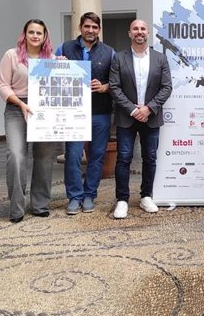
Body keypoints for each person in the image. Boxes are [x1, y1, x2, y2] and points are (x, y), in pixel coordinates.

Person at [109, 19, 172, 219]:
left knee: (150, 157)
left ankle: (146, 196)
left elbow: (166, 87)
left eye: (143, 29)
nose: (139, 32)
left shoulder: (160, 58)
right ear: (130, 33)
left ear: (147, 33)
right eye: (135, 29)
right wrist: (132, 109)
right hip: (127, 117)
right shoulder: (119, 58)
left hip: (150, 117)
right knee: (124, 158)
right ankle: (122, 200)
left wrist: (148, 108)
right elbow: (114, 87)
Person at [0, 19, 57, 223]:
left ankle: (40, 205)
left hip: (44, 108)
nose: (35, 36)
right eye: (31, 32)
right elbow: (3, 86)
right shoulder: (11, 56)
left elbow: (59, 81)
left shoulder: (50, 58)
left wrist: (64, 65)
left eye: (39, 33)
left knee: (45, 155)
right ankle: (16, 209)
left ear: (44, 36)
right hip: (16, 108)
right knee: (15, 155)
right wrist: (21, 104)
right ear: (25, 34)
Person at [57, 12, 115, 215]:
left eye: (95, 27)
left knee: (97, 156)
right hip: (73, 113)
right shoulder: (64, 48)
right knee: (73, 155)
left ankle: (90, 194)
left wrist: (105, 87)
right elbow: (50, 74)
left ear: (99, 30)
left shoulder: (109, 52)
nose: (91, 30)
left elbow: (116, 82)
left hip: (100, 112)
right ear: (80, 27)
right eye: (87, 26)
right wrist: (57, 63)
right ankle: (74, 197)